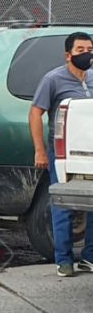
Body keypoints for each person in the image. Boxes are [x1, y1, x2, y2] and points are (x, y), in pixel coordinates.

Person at [30, 32, 93, 277]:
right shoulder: (53, 79)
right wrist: (40, 151)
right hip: (63, 154)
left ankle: (89, 257)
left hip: (88, 153)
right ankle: (64, 260)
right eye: (80, 50)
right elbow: (35, 113)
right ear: (68, 55)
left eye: (90, 48)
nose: (86, 53)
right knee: (64, 204)